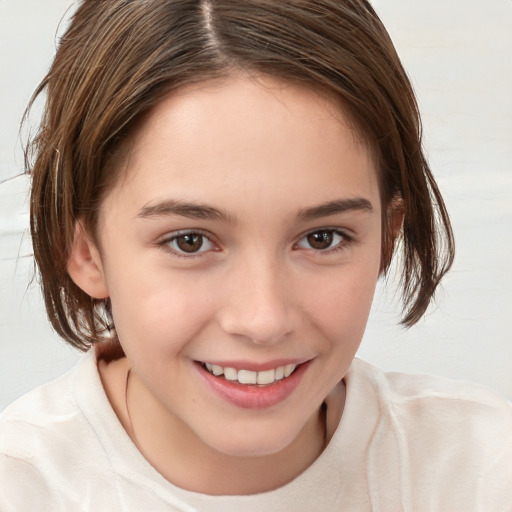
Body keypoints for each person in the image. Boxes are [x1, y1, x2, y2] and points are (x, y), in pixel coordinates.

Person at [0, 0, 510, 510]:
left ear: (386, 236)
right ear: (85, 250)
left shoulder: (481, 471)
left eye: (322, 238)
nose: (263, 320)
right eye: (190, 241)